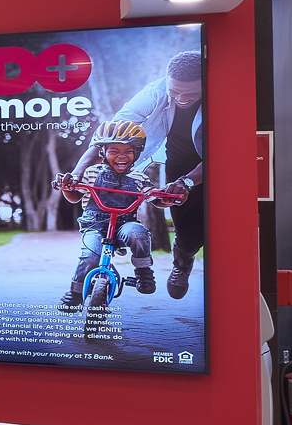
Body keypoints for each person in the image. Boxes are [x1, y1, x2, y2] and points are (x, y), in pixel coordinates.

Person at [74, 50, 206, 298]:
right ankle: (182, 263)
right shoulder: (154, 92)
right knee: (187, 231)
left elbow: (219, 154)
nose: (181, 98)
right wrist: (78, 172)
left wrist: (190, 181)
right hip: (179, 159)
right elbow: (109, 136)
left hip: (218, 157)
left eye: (190, 94)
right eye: (174, 91)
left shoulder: (222, 94)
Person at [57, 121, 161, 311]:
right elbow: (74, 197)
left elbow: (154, 196)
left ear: (136, 153)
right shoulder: (91, 172)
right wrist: (67, 188)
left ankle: (144, 272)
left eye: (128, 151)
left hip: (124, 225)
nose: (122, 156)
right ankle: (76, 292)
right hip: (95, 226)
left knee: (138, 233)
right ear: (102, 153)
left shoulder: (139, 177)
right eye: (114, 151)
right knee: (90, 256)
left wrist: (164, 197)